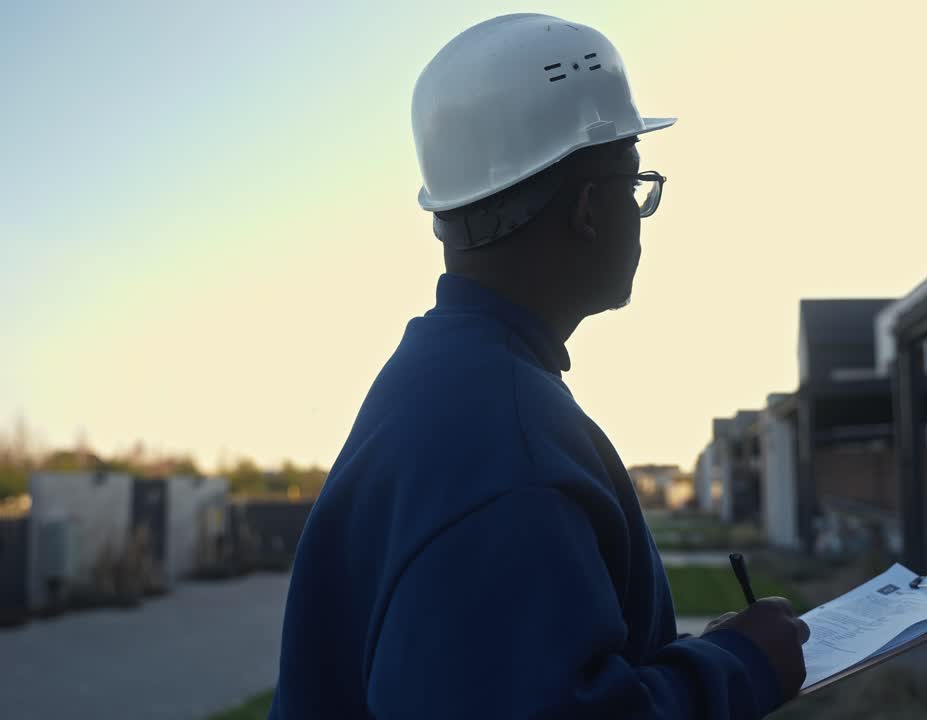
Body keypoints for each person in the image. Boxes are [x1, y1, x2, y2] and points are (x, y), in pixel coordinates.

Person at [270, 14, 808, 719]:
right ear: (589, 207)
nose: (641, 212)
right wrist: (740, 668)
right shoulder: (507, 441)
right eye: (636, 180)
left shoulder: (441, 378)